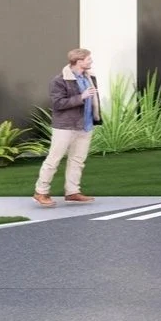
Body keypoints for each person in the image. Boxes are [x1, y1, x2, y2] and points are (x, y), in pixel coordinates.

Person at [34, 47, 100, 207]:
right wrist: (81, 97)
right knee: (53, 159)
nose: (91, 61)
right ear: (79, 61)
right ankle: (41, 192)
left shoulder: (89, 77)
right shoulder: (59, 80)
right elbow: (58, 104)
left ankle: (72, 192)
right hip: (65, 126)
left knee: (78, 160)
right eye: (88, 59)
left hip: (85, 125)